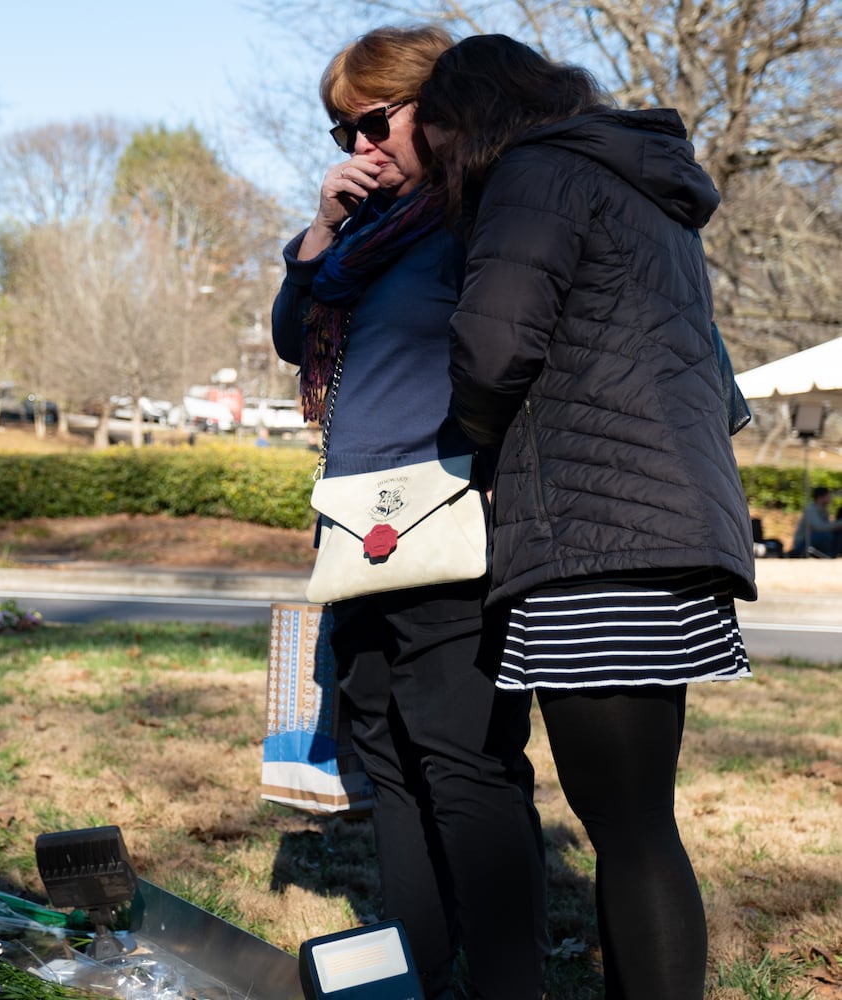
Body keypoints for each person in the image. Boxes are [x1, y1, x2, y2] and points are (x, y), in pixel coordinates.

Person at [415, 35, 758, 1000]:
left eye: (439, 145)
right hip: (667, 522)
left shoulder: (535, 174)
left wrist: (472, 440)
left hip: (595, 535)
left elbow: (490, 348)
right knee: (639, 819)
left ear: (473, 117)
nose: (441, 167)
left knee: (631, 827)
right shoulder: (642, 192)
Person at [270, 25, 547, 1000]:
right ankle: (418, 973)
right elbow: (288, 334)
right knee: (385, 755)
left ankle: (510, 980)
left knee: (465, 758)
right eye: (341, 131)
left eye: (373, 122)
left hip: (455, 515)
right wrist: (316, 242)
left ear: (436, 104)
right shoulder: (358, 238)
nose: (358, 148)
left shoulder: (485, 213)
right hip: (358, 525)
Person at [792, 486, 839, 557]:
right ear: (820, 497)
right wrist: (839, 524)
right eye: (828, 496)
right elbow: (819, 527)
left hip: (815, 540)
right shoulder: (810, 509)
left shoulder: (824, 510)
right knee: (825, 535)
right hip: (803, 542)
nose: (831, 498)